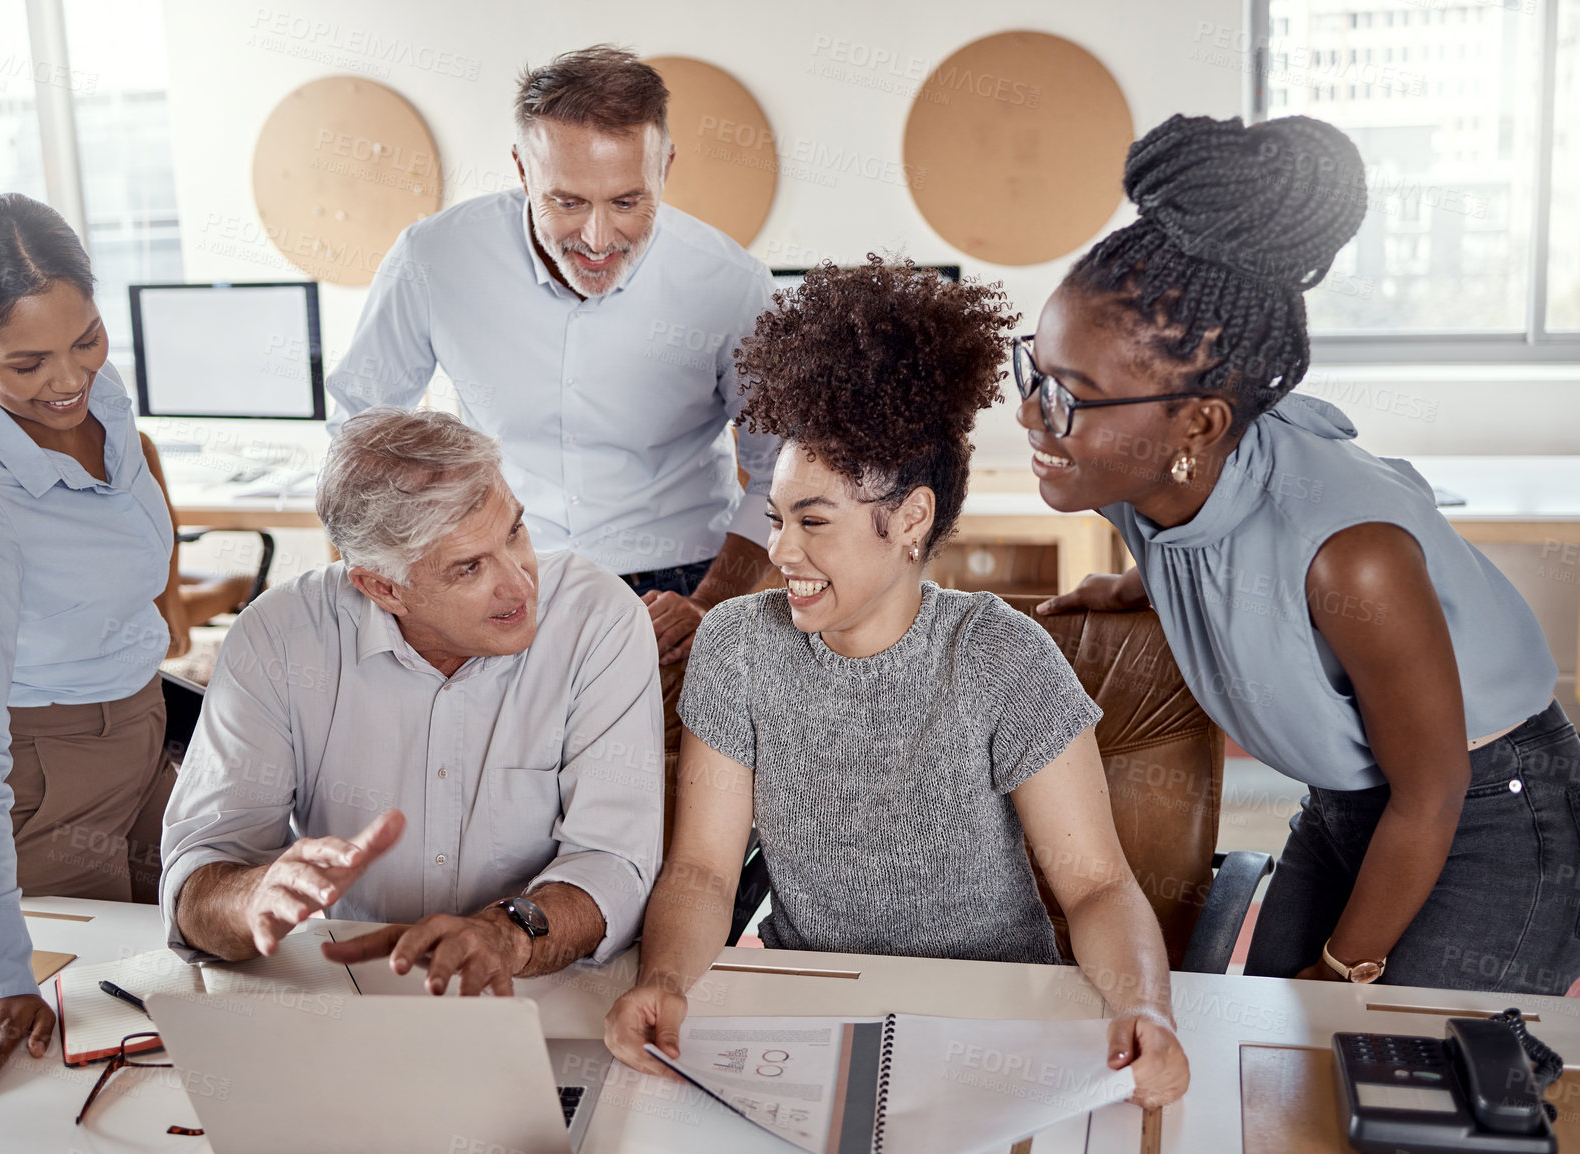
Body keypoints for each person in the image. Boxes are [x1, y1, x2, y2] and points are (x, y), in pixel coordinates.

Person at [604, 259, 1190, 1110]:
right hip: (813, 1011)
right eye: (775, 518)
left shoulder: (1001, 657)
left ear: (910, 520)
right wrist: (665, 980)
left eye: (813, 523)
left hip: (995, 1016)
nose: (781, 554)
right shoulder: (736, 646)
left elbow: (1096, 885)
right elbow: (701, 871)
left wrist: (1144, 1006)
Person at [1028, 114, 1580, 994]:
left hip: (1480, 808)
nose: (1032, 416)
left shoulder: (1350, 559)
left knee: (1395, 1080)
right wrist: (1144, 585)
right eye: (1036, 372)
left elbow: (1429, 794)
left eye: (1071, 396)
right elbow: (1227, 552)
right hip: (1348, 798)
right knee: (1268, 1053)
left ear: (1197, 422)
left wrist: (1340, 969)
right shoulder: (1148, 478)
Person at [160, 408, 663, 995]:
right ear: (382, 586)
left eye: (515, 533)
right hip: (356, 991)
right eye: (469, 568)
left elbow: (615, 861)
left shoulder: (597, 619)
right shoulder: (278, 637)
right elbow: (200, 878)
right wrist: (253, 897)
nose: (521, 584)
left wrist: (504, 934)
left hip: (547, 983)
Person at [326, 45, 778, 668]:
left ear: (665, 167)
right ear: (521, 168)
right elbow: (361, 430)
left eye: (626, 202)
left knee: (660, 768)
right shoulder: (435, 257)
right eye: (567, 202)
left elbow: (781, 464)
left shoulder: (733, 283)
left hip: (679, 589)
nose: (597, 240)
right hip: (492, 573)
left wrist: (712, 603)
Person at [0, 193, 184, 1098]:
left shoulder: (102, 395)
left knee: (199, 995)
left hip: (141, 740)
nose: (70, 381)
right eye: (26, 363)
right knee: (94, 1069)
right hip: (36, 786)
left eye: (86, 340)